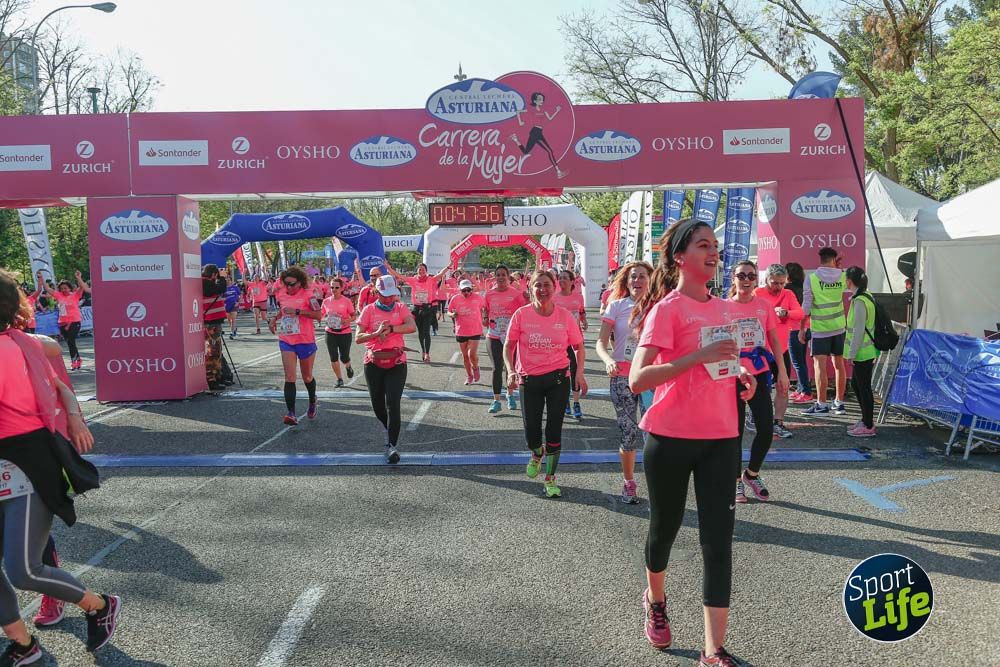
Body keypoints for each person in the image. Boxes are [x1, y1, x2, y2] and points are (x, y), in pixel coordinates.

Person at [628, 219, 756, 664]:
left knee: (718, 542)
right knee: (664, 529)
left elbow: (723, 366)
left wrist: (741, 376)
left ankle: (712, 648)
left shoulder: (726, 310)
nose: (713, 251)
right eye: (703, 244)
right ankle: (656, 601)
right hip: (670, 437)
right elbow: (637, 378)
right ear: (680, 257)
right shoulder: (667, 309)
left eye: (715, 245)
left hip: (722, 438)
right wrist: (697, 356)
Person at [0, 270, 122, 660]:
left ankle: (99, 606)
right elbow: (53, 363)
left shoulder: (10, 346)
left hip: (26, 463)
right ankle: (23, 644)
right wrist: (72, 413)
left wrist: (73, 415)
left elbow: (53, 363)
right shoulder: (20, 342)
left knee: (24, 571)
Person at [504, 269, 587, 498]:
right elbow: (509, 346)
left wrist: (579, 373)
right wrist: (510, 371)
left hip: (558, 379)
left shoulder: (565, 316)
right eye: (537, 285)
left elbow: (579, 346)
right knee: (532, 432)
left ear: (554, 288)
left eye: (547, 285)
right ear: (530, 288)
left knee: (554, 430)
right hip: (529, 379)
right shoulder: (521, 314)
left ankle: (550, 478)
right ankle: (536, 453)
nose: (542, 290)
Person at [728, 261, 789, 503]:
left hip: (760, 371)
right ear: (733, 278)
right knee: (734, 431)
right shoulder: (723, 307)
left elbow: (774, 341)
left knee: (765, 428)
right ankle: (734, 482)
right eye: (741, 275)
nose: (746, 279)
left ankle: (751, 474)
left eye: (751, 276)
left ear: (756, 280)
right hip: (732, 374)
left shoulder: (764, 306)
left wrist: (783, 373)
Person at [595, 261, 652, 504]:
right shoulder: (616, 306)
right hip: (622, 375)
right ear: (626, 282)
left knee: (654, 433)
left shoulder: (659, 306)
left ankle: (656, 483)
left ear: (651, 279)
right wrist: (608, 359)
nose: (636, 281)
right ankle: (629, 482)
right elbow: (600, 341)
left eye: (641, 277)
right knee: (628, 433)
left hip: (652, 376)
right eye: (632, 277)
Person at [355, 275, 416, 463]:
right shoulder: (369, 310)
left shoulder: (400, 307)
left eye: (391, 295)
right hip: (373, 363)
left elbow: (412, 326)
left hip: (397, 362)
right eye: (385, 295)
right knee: (377, 404)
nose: (389, 299)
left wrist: (392, 330)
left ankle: (392, 445)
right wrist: (375, 333)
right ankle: (386, 431)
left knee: (393, 402)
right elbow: (358, 337)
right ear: (377, 292)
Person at [753, 264, 802, 439]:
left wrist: (786, 313)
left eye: (782, 283)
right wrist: (771, 313)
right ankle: (757, 418)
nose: (778, 287)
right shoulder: (757, 293)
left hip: (781, 350)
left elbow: (800, 313)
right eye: (774, 283)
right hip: (760, 351)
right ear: (766, 280)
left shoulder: (788, 294)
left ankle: (778, 422)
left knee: (783, 387)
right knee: (760, 389)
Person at [268, 267, 321, 425]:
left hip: (305, 340)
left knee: (307, 377)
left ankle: (312, 400)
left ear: (300, 282)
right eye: (286, 284)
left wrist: (298, 312)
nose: (289, 287)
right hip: (287, 340)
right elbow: (283, 311)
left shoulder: (308, 295)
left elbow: (318, 315)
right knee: (290, 377)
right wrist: (274, 319)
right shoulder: (282, 294)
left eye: (292, 284)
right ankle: (291, 413)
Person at [799, 248, 848, 416]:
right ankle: (839, 403)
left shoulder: (811, 279)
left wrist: (802, 328)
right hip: (839, 327)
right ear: (834, 259)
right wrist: (839, 268)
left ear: (820, 259)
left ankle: (822, 405)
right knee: (839, 365)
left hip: (820, 329)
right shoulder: (842, 276)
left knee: (820, 367)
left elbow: (806, 307)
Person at [484, 265, 528, 413]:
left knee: (510, 368)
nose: (501, 277)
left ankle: (510, 395)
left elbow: (525, 310)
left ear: (508, 276)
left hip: (511, 336)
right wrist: (485, 318)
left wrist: (528, 298)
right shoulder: (489, 294)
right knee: (497, 367)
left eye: (504, 274)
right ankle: (496, 400)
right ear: (495, 277)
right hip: (494, 334)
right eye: (498, 275)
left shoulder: (516, 294)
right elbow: (486, 310)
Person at [384, 260, 448, 363]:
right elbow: (400, 276)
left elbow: (441, 274)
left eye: (423, 269)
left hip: (427, 308)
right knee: (420, 333)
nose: (421, 271)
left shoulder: (431, 280)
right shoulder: (413, 280)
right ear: (417, 271)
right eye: (420, 269)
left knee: (426, 332)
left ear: (426, 271)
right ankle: (423, 351)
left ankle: (427, 353)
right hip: (417, 309)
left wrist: (448, 267)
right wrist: (389, 268)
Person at [844, 266, 878, 437]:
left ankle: (869, 425)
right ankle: (865, 420)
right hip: (866, 351)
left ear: (849, 281)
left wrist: (851, 354)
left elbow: (858, 330)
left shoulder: (859, 301)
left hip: (863, 353)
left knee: (863, 387)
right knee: (858, 385)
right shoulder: (866, 296)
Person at [553, 269, 588, 420]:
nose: (562, 281)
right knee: (562, 371)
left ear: (573, 281)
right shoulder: (554, 298)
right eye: (560, 278)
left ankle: (576, 402)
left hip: (576, 338)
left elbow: (581, 311)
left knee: (575, 370)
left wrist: (584, 320)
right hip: (560, 339)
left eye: (565, 278)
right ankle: (565, 400)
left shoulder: (578, 297)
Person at [510, 92, 567, 179]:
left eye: (542, 99)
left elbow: (550, 118)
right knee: (550, 151)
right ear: (535, 100)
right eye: (540, 99)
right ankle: (558, 172)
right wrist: (520, 121)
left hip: (538, 132)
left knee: (526, 152)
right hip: (535, 132)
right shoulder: (531, 109)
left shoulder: (543, 110)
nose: (542, 101)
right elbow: (518, 111)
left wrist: (557, 111)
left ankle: (516, 140)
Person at [43, 271, 90, 371]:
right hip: (62, 323)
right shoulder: (58, 295)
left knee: (71, 341)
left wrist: (78, 277)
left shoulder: (75, 295)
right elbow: (47, 288)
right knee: (69, 343)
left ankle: (74, 362)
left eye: (66, 288)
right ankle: (77, 360)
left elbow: (83, 287)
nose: (64, 290)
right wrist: (41, 279)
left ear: (70, 288)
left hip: (74, 322)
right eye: (62, 288)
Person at [448, 279, 487, 385]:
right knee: (465, 356)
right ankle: (469, 376)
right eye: (463, 290)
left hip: (475, 329)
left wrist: (485, 317)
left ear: (471, 289)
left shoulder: (478, 297)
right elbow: (449, 311)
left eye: (468, 290)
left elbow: (486, 307)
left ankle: (475, 368)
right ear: (460, 290)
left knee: (471, 354)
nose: (466, 292)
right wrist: (452, 315)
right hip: (461, 330)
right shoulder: (455, 298)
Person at [784, 262, 812, 403]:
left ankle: (806, 391)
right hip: (807, 327)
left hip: (794, 328)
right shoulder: (805, 287)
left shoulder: (787, 289)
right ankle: (801, 388)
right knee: (801, 361)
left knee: (797, 362)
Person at [322, 277, 356, 388]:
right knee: (333, 357)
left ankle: (348, 366)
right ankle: (339, 379)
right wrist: (323, 318)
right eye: (332, 287)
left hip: (344, 333)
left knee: (344, 357)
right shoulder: (326, 301)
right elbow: (321, 315)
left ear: (342, 288)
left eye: (336, 287)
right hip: (330, 332)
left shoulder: (346, 301)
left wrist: (346, 320)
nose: (334, 289)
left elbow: (354, 316)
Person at [202, 265, 229, 390]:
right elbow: (220, 289)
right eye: (217, 275)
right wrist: (222, 278)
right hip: (211, 322)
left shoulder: (207, 282)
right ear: (213, 274)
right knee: (212, 352)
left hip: (214, 321)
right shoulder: (205, 283)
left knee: (216, 351)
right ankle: (211, 379)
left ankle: (218, 376)